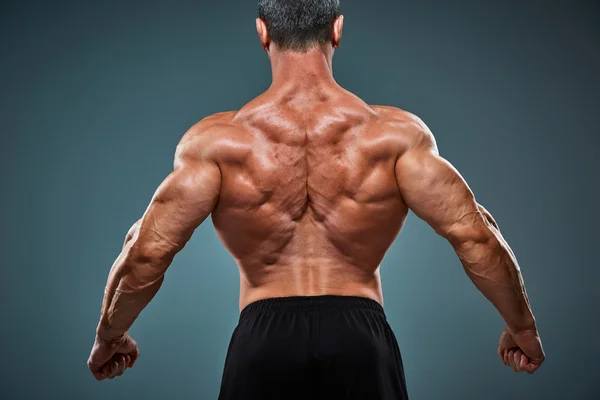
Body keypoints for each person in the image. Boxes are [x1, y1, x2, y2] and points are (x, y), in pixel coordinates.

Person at [87, 1, 545, 398]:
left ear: (262, 32)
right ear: (337, 30)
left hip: (262, 342)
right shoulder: (394, 137)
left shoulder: (218, 144)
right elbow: (476, 235)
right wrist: (522, 327)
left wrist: (110, 335)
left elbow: (146, 251)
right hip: (360, 338)